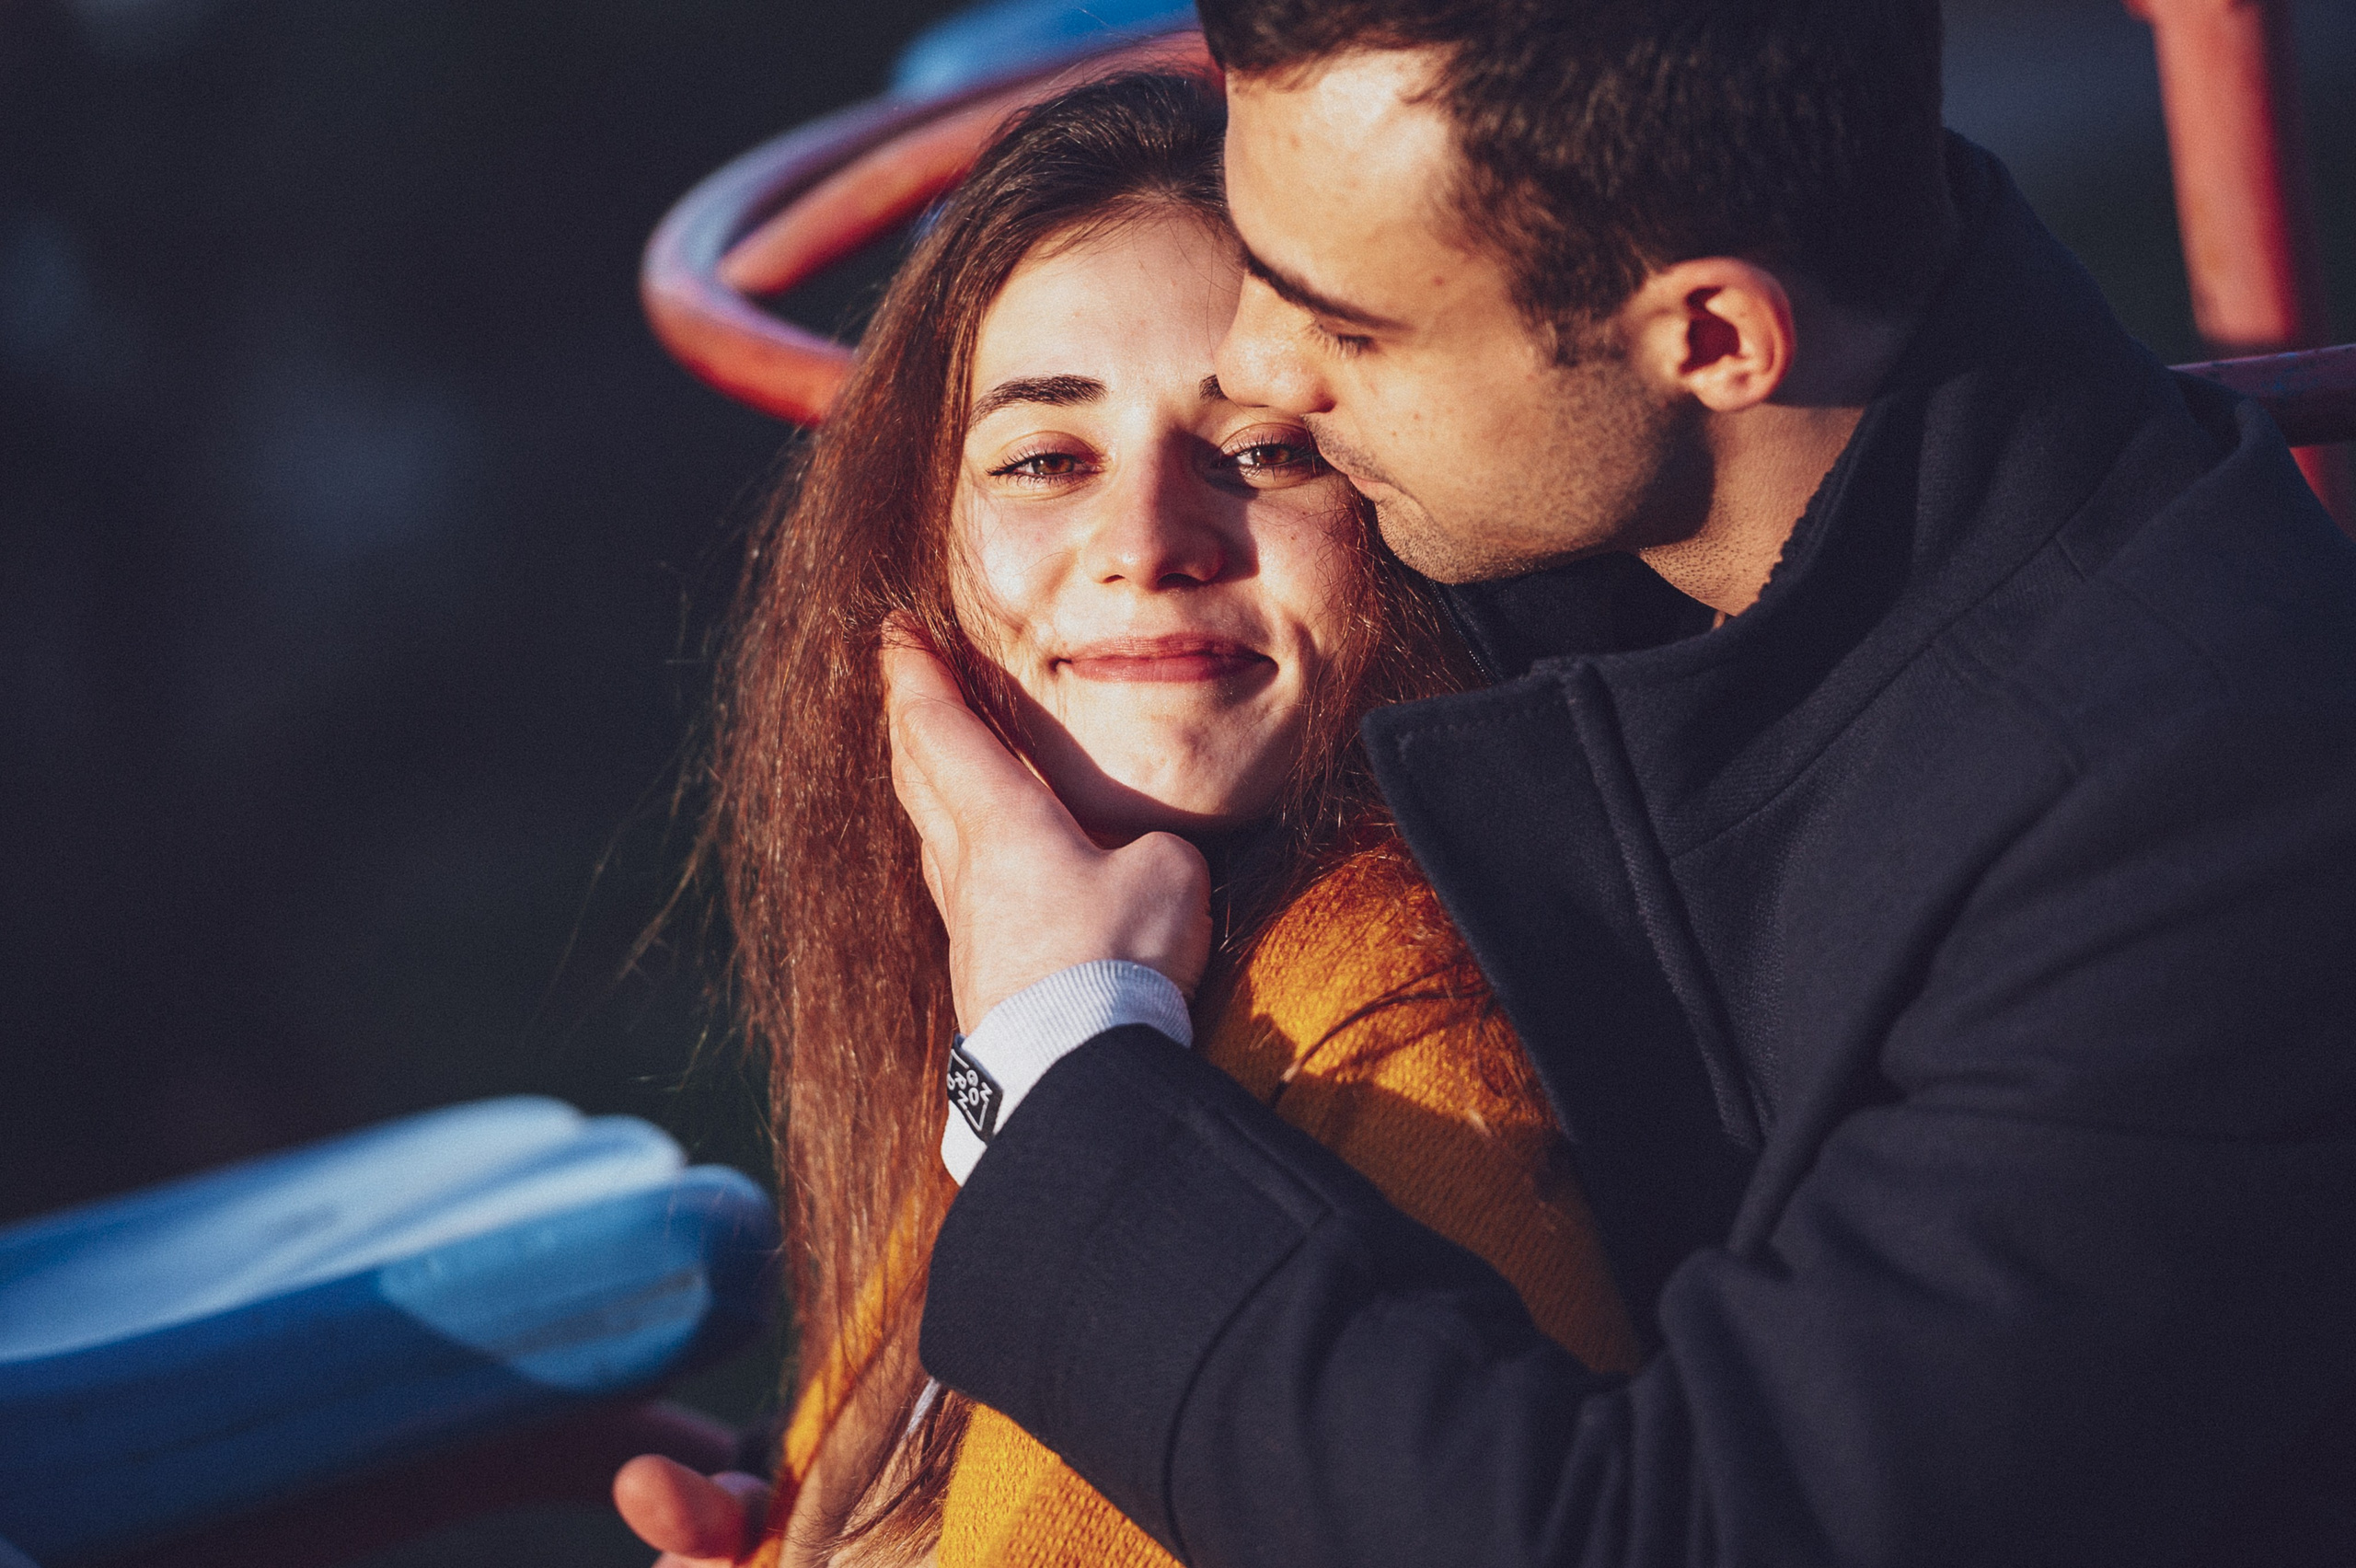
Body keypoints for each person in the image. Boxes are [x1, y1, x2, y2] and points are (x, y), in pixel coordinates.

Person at [873, 2, 2356, 1565]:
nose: (1260, 368)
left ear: (1713, 339)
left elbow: (1684, 1536)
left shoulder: (2212, 818)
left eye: (1350, 325)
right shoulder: (1631, 500)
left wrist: (1055, 1067)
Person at [618, 71, 1643, 1568]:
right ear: (914, 559)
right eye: (1044, 459)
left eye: (1264, 450)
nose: (1150, 542)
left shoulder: (1421, 1037)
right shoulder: (1037, 973)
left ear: (1396, 507)